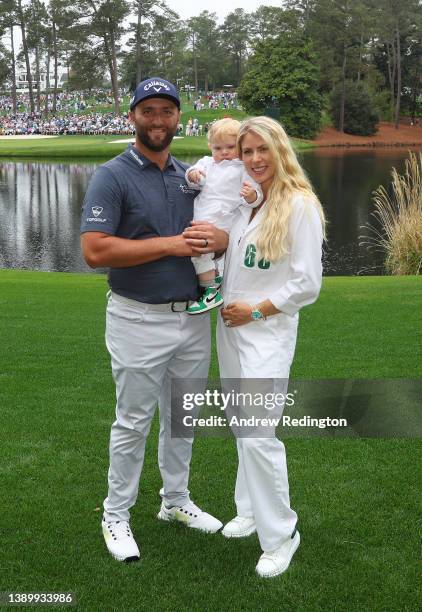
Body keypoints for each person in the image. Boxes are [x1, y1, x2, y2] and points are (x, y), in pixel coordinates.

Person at [80, 77, 228, 563]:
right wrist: (172, 244)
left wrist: (220, 240)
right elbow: (95, 251)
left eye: (167, 111)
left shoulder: (190, 176)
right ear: (133, 117)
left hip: (191, 318)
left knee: (182, 418)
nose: (159, 119)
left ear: (178, 118)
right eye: (149, 111)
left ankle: (175, 502)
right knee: (134, 421)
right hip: (137, 318)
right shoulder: (113, 175)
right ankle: (116, 514)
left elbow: (222, 229)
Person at [217, 116, 325, 578]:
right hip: (230, 330)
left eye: (263, 150)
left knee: (260, 434)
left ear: (280, 151)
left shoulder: (299, 205)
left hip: (265, 330)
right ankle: (249, 509)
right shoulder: (250, 203)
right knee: (241, 424)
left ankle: (282, 533)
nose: (255, 159)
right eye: (247, 152)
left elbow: (306, 285)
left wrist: (255, 311)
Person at [185, 118, 263, 315]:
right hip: (202, 212)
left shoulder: (242, 169)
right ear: (210, 147)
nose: (224, 152)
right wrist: (193, 175)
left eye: (230, 147)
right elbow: (194, 177)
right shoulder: (207, 163)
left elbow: (255, 194)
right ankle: (214, 279)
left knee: (198, 250)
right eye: (217, 148)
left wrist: (251, 196)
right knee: (197, 251)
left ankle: (210, 290)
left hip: (223, 217)